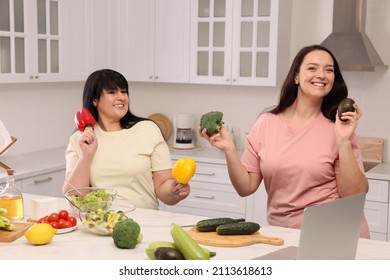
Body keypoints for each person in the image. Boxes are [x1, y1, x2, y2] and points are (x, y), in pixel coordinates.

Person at [199, 45, 370, 238]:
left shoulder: (339, 127)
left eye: (328, 70)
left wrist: (343, 140)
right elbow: (245, 187)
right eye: (312, 68)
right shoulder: (266, 123)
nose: (321, 75)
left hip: (334, 234)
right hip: (284, 234)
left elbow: (354, 196)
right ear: (296, 76)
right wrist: (229, 149)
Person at [62, 69, 190, 209]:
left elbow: (162, 188)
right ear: (95, 100)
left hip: (144, 219)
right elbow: (74, 198)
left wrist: (174, 190)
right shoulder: (80, 139)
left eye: (123, 92)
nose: (121, 97)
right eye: (112, 92)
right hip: (101, 222)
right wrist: (86, 155)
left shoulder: (147, 130)